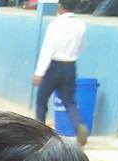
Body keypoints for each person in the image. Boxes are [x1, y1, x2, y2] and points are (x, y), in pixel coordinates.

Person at [33, 0, 90, 146]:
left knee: (41, 99)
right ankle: (79, 126)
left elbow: (48, 50)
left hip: (54, 66)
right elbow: (83, 46)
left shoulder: (55, 25)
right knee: (69, 101)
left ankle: (38, 133)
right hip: (70, 66)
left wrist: (39, 72)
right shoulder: (80, 24)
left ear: (60, 6)